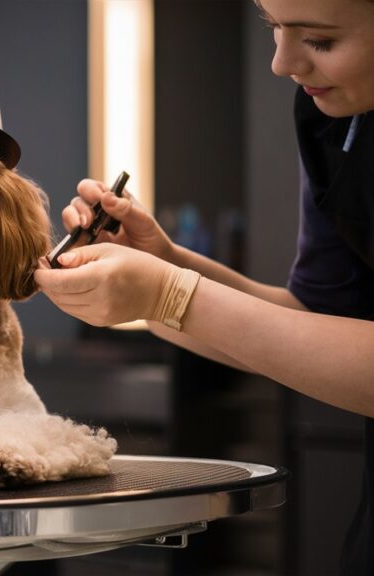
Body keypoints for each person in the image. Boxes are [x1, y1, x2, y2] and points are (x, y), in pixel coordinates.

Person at [33, 0, 374, 573]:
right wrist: (162, 266)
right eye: (273, 27)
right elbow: (314, 326)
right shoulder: (330, 119)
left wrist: (175, 295)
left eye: (318, 41)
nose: (282, 63)